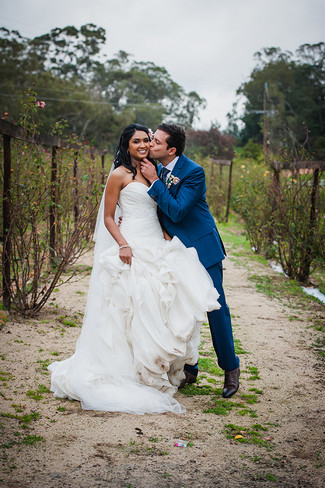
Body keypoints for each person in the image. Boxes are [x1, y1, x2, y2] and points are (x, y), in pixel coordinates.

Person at [48, 124, 220, 415]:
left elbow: (166, 207)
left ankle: (156, 368)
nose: (143, 144)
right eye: (137, 141)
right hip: (131, 244)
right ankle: (128, 369)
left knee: (162, 303)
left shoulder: (155, 170)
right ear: (126, 145)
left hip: (156, 242)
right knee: (131, 305)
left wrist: (166, 234)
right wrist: (122, 245)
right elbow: (109, 217)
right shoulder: (119, 175)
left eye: (147, 140)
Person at [140, 123, 240, 398]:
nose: (151, 144)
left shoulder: (193, 172)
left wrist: (156, 183)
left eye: (156, 142)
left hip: (201, 246)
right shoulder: (155, 167)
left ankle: (231, 369)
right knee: (179, 309)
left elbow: (178, 210)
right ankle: (189, 368)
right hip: (174, 250)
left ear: (171, 150)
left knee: (215, 308)